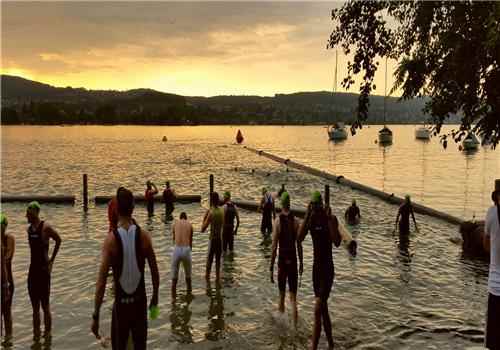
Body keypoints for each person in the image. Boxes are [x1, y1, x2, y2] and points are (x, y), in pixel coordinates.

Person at [91, 188, 160, 350]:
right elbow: (155, 272)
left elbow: (101, 283)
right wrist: (155, 299)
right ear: (133, 207)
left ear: (116, 209)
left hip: (121, 307)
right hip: (140, 304)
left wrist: (96, 316)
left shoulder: (110, 241)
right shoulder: (144, 236)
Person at [298, 191, 341, 350]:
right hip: (316, 271)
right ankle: (331, 344)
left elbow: (337, 242)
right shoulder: (311, 218)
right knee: (323, 310)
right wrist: (307, 215)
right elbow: (299, 238)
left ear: (321, 205)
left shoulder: (330, 218)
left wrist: (330, 220)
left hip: (327, 270)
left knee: (317, 309)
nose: (315, 209)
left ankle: (313, 347)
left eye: (317, 206)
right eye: (313, 207)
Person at [26, 201, 62, 339]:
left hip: (43, 272)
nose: (26, 216)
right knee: (35, 308)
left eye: (28, 213)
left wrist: (52, 260)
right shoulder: (29, 230)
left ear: (35, 212)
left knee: (45, 306)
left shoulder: (45, 227)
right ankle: (36, 337)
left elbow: (59, 240)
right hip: (32, 271)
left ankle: (47, 337)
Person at [270, 192, 303, 329]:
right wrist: (301, 262)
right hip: (293, 260)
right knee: (293, 298)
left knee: (282, 295)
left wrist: (271, 267)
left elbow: (273, 247)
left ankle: (281, 327)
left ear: (281, 205)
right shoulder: (296, 221)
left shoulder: (277, 221)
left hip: (282, 261)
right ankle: (295, 328)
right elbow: (299, 244)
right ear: (290, 204)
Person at [484, 179, 500, 350]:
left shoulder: (491, 213)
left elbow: (486, 243)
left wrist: (494, 257)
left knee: (493, 340)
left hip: (495, 287)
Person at [201, 192, 224, 283]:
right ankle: (217, 281)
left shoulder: (211, 213)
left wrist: (204, 217)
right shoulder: (222, 211)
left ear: (211, 200)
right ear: (218, 200)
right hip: (220, 239)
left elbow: (203, 229)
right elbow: (223, 224)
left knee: (209, 263)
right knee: (218, 263)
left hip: (213, 239)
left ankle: (207, 284)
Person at [171, 212, 193, 301]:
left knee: (174, 279)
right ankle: (189, 299)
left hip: (176, 249)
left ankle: (173, 301)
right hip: (186, 249)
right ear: (186, 218)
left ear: (180, 218)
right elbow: (191, 241)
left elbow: (173, 238)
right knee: (188, 278)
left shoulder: (175, 223)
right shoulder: (190, 224)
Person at [1, 213, 15, 339]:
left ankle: (8, 341)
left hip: (7, 282)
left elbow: (7, 258)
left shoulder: (9, 238)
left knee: (6, 312)